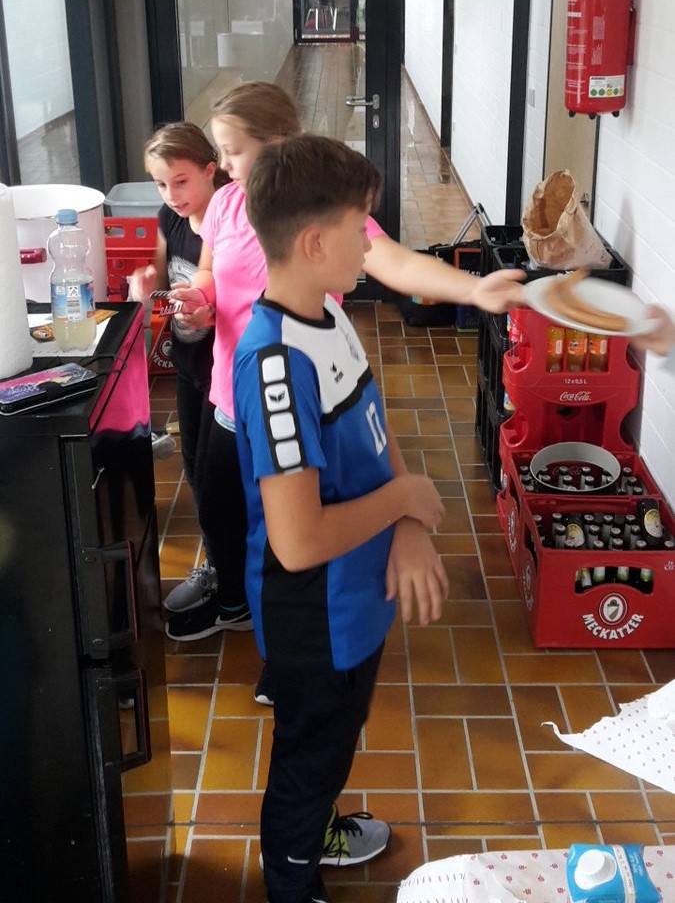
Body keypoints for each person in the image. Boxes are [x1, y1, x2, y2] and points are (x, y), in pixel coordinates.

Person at [165, 82, 526, 645]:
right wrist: (199, 298)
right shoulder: (227, 205)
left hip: (296, 397)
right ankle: (234, 597)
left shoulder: (323, 217)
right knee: (222, 510)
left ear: (278, 146)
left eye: (233, 151)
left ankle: (284, 625)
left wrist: (474, 289)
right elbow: (211, 274)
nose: (225, 166)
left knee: (295, 524)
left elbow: (396, 263)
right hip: (231, 398)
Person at [235, 133, 450, 903]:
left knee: (331, 742)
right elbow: (296, 543)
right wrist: (404, 501)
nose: (370, 243)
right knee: (309, 760)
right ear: (315, 242)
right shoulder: (275, 364)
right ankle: (293, 882)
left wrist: (408, 524)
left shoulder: (330, 315)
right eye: (362, 228)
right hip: (314, 618)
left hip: (355, 600)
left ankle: (317, 824)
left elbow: (375, 431)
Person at [128, 122, 227, 611]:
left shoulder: (229, 218)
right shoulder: (170, 218)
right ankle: (217, 561)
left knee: (216, 475)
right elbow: (163, 280)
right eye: (161, 184)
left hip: (225, 373)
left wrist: (210, 311)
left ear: (211, 170)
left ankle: (225, 570)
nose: (171, 195)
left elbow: (242, 294)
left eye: (181, 181)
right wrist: (148, 288)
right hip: (189, 364)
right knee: (194, 467)